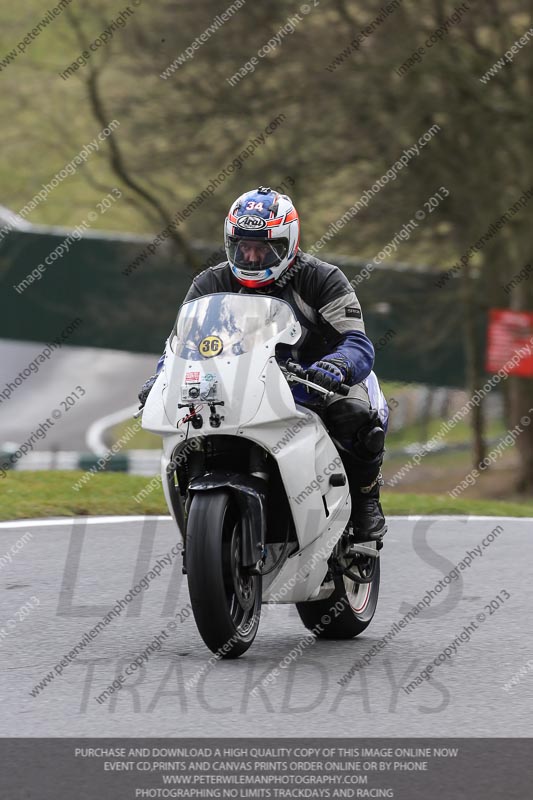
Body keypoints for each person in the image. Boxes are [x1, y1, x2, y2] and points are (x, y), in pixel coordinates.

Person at [138, 186, 387, 544]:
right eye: (243, 246)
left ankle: (366, 500)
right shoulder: (209, 283)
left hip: (311, 381)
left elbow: (356, 341)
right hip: (236, 383)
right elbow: (179, 345)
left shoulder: (322, 279)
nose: (252, 256)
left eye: (264, 248)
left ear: (288, 244)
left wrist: (337, 365)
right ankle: (201, 524)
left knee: (354, 415)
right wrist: (161, 377)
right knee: (189, 430)